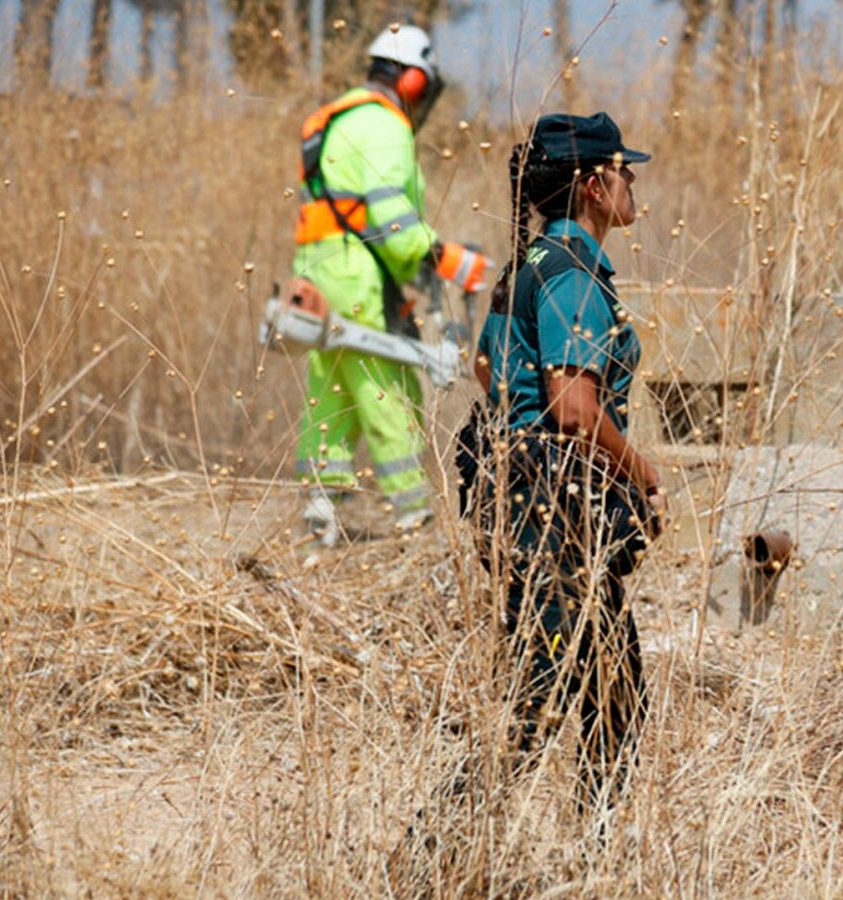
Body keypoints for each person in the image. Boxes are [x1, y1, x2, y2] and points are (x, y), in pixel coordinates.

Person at [458, 112, 663, 821]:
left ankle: (596, 859)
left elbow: (486, 365)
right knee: (533, 711)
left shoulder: (531, 265)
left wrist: (520, 433)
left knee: (616, 696)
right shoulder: (572, 274)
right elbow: (574, 408)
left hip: (536, 507)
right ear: (591, 186)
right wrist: (643, 472)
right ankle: (437, 853)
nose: (632, 179)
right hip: (553, 520)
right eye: (621, 168)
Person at [290, 23, 493, 545]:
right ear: (409, 80)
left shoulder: (341, 119)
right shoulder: (384, 126)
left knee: (331, 398)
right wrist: (440, 257)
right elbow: (388, 216)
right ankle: (415, 523)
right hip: (359, 278)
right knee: (390, 392)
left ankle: (319, 524)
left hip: (321, 272)